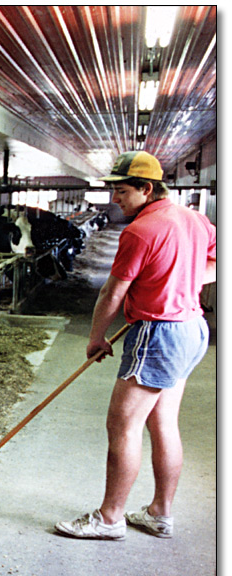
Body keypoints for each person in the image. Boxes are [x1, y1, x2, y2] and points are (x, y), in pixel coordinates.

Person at [55, 150, 216, 540]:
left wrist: (95, 337)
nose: (115, 199)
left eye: (122, 191)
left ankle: (110, 519)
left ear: (147, 188)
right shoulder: (197, 219)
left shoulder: (140, 231)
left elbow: (113, 292)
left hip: (158, 333)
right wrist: (181, 283)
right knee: (163, 423)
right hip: (193, 328)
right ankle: (161, 513)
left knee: (122, 426)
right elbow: (214, 265)